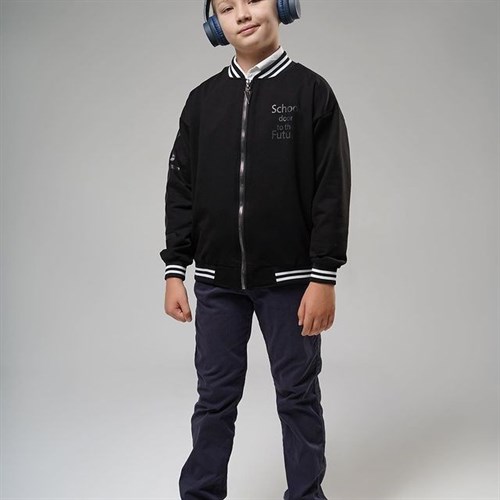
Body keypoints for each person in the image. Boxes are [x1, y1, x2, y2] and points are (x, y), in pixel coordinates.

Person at [160, 0, 351, 498]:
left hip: (291, 283)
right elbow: (180, 189)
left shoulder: (312, 93)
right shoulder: (202, 102)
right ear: (214, 25)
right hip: (217, 283)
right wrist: (175, 269)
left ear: (282, 5)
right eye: (227, 7)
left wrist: (324, 276)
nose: (242, 13)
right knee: (214, 398)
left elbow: (331, 190)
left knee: (298, 395)